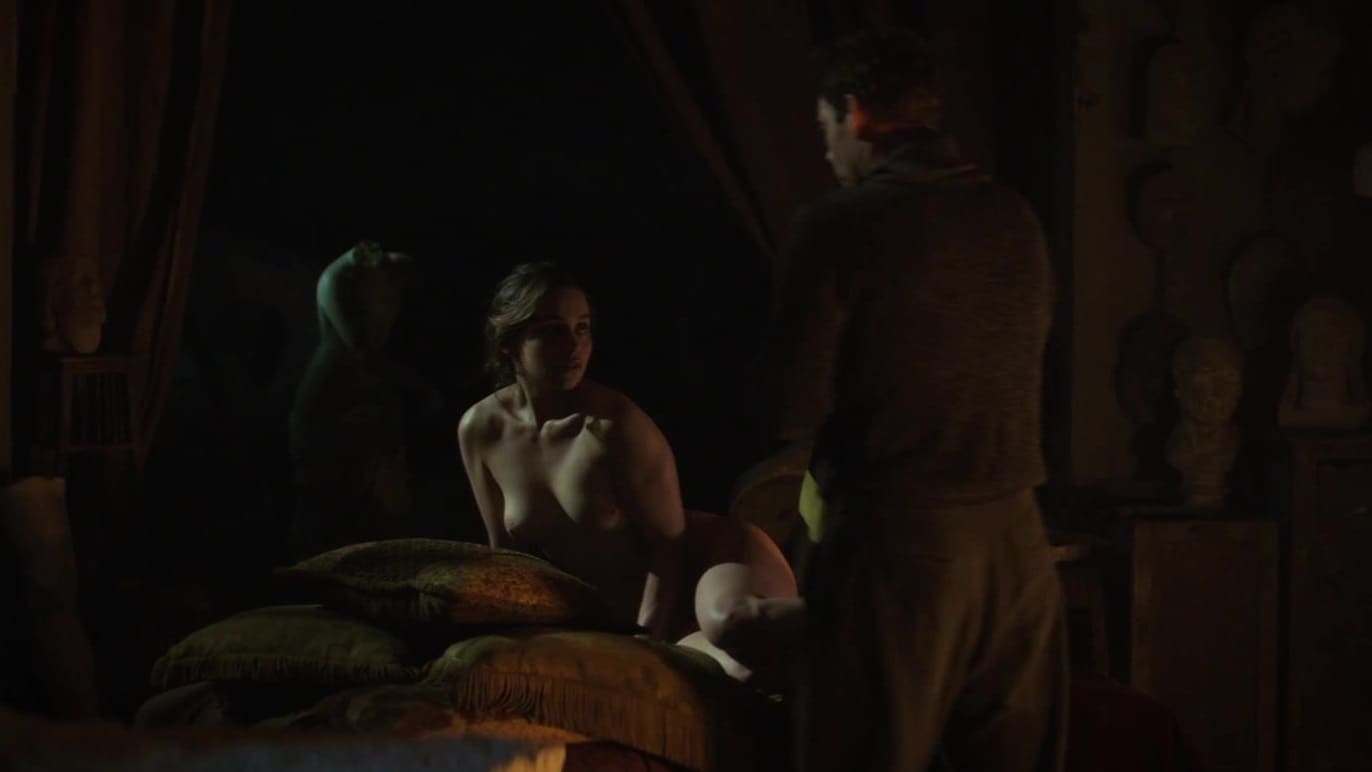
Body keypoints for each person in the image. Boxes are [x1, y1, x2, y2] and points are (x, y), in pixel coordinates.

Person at [754, 27, 1067, 772]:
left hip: (900, 549)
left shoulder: (840, 226)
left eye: (827, 130)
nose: (829, 154)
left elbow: (789, 408)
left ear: (857, 113)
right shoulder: (1013, 216)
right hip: (1018, 547)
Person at [457, 262, 803, 684]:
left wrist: (642, 645)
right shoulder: (480, 430)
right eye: (553, 330)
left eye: (582, 328)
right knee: (740, 675)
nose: (574, 346)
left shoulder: (613, 425)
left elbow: (668, 547)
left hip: (707, 564)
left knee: (730, 621)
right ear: (509, 342)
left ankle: (858, 610)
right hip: (627, 618)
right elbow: (506, 560)